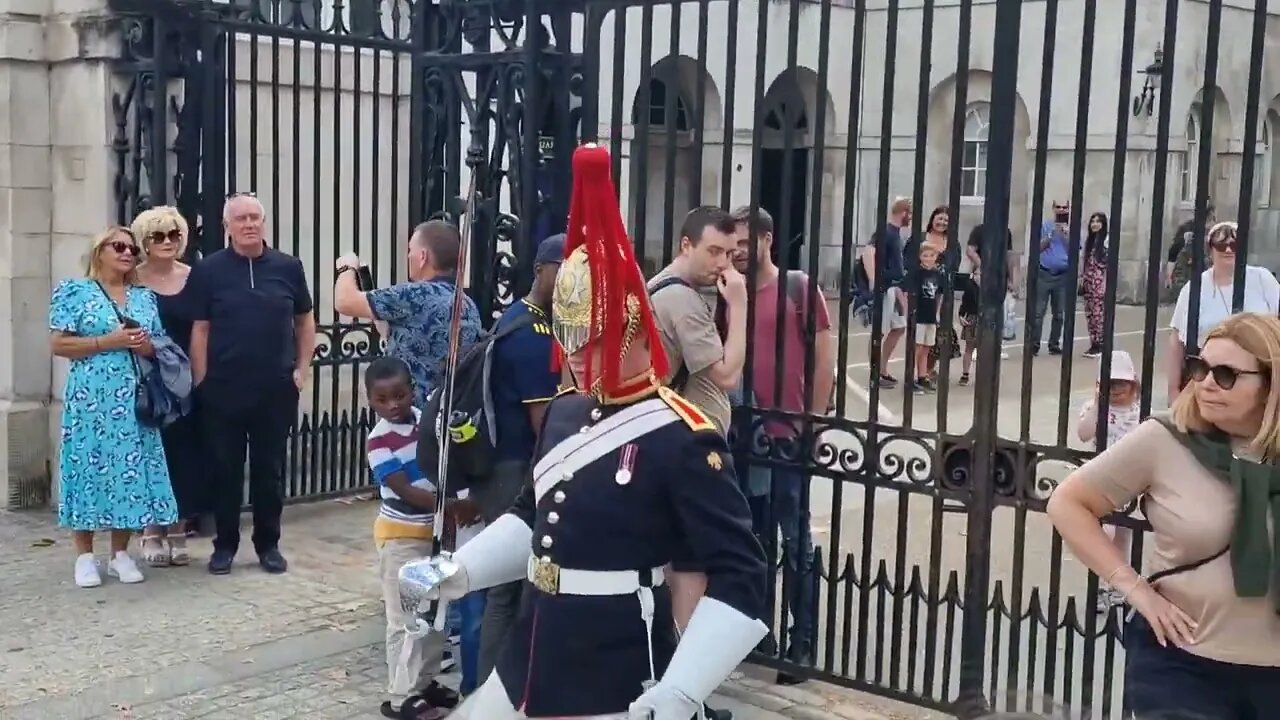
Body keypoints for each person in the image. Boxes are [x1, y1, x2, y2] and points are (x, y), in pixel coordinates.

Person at [421, 144, 767, 720]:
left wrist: (683, 688)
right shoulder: (563, 411)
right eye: (571, 340)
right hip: (534, 653)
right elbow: (532, 519)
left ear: (630, 328)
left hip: (617, 666)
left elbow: (740, 572)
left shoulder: (684, 437)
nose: (575, 358)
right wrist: (461, 571)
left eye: (589, 341)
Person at [1047, 312, 1280, 718]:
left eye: (1226, 374)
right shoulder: (1167, 439)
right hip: (1185, 668)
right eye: (1200, 367)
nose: (1206, 382)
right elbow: (1068, 503)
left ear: (1270, 384)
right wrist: (1133, 588)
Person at [730, 205, 836, 685]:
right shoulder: (729, 293)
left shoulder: (797, 288)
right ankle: (761, 633)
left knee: (795, 541)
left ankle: (803, 640)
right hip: (743, 436)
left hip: (787, 434)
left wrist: (809, 423)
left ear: (767, 240)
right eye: (731, 247)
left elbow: (823, 359)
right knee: (755, 539)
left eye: (744, 245)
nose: (736, 254)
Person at [188, 193, 316, 576]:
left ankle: (269, 544)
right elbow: (200, 329)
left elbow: (305, 321)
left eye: (255, 217)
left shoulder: (288, 267)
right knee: (225, 470)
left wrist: (302, 368)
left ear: (264, 222)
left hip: (274, 388)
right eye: (240, 218)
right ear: (227, 227)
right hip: (223, 387)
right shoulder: (209, 271)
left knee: (269, 471)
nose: (249, 224)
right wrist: (201, 380)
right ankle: (224, 545)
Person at [49, 226, 179, 588]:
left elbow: (158, 347)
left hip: (132, 398)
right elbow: (59, 344)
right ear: (99, 251)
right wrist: (110, 341)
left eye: (131, 249)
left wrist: (143, 347)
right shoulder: (74, 292)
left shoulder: (144, 298)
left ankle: (121, 553)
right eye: (118, 246)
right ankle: (84, 556)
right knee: (86, 467)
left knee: (129, 470)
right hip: (90, 397)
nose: (126, 253)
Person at [473, 233, 565, 684]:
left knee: (513, 585)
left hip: (509, 466)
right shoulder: (532, 332)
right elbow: (543, 423)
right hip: (513, 469)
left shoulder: (530, 321)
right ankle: (493, 690)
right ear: (541, 270)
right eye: (564, 272)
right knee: (509, 587)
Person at [365, 357, 457, 720]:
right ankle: (402, 697)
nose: (393, 405)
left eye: (400, 395)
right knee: (406, 619)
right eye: (383, 399)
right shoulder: (378, 441)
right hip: (403, 538)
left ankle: (425, 681)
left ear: (412, 390)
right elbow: (401, 489)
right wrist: (448, 505)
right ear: (371, 400)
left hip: (436, 534)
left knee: (435, 614)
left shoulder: (428, 422)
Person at [334, 221, 482, 409]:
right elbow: (395, 333)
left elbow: (344, 301)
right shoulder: (467, 304)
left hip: (412, 420)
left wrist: (347, 268)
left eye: (411, 249)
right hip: (449, 416)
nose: (408, 255)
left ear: (422, 257)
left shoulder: (415, 295)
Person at [132, 206, 203, 568]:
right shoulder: (132, 279)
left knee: (182, 455)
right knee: (149, 453)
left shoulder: (195, 277)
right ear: (144, 241)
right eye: (157, 236)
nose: (167, 242)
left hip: (183, 378)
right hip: (144, 377)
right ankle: (150, 530)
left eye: (174, 235)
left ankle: (177, 529)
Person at [647, 205, 748, 435]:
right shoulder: (682, 300)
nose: (723, 262)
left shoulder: (661, 284)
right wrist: (740, 304)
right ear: (686, 246)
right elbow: (727, 377)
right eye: (713, 251)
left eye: (729, 254)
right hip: (688, 440)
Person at [1167, 220, 1280, 403]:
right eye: (1221, 245)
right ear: (1210, 251)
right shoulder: (1195, 286)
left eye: (1234, 245)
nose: (1228, 250)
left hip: (1258, 376)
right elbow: (1176, 340)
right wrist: (1173, 391)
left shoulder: (1262, 279)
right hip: (1207, 376)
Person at [1074, 350, 1140, 612]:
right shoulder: (1094, 408)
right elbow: (1083, 434)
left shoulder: (1139, 411)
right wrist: (1098, 404)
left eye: (1121, 384)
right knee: (1105, 533)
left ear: (1133, 384)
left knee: (1123, 534)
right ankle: (1101, 584)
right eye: (1109, 384)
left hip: (1131, 481)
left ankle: (1119, 584)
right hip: (1101, 479)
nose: (1115, 390)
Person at [861, 197, 911, 388]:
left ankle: (882, 369)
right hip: (884, 288)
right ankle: (875, 374)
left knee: (899, 327)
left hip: (894, 287)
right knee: (878, 332)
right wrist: (874, 281)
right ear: (904, 212)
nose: (911, 218)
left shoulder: (897, 234)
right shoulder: (887, 231)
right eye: (910, 213)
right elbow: (868, 252)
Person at [1029, 200, 1075, 356]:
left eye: (1065, 207)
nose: (1061, 210)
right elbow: (1037, 248)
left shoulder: (1072, 228)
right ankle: (1034, 344)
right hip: (1044, 272)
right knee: (1038, 312)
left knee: (1060, 313)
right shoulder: (1045, 225)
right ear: (1053, 208)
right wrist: (1050, 236)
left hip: (1063, 275)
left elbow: (1075, 251)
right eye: (1058, 207)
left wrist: (1066, 235)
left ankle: (1054, 344)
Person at [1164, 202, 1215, 302]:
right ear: (1210, 214)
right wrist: (1170, 274)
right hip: (1188, 270)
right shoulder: (1189, 228)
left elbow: (1173, 251)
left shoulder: (1213, 230)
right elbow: (1174, 250)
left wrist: (1169, 273)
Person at [912, 245, 943, 394]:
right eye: (925, 255)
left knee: (926, 348)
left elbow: (939, 295)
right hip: (919, 315)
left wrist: (937, 313)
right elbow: (907, 292)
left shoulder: (937, 275)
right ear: (920, 257)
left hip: (931, 316)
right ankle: (911, 377)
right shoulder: (917, 274)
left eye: (931, 255)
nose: (929, 258)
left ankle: (922, 377)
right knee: (917, 348)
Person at [1080, 212, 1110, 359]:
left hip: (1099, 283)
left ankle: (1101, 345)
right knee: (1090, 314)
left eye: (1098, 221)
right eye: (1093, 221)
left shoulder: (1105, 242)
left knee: (1099, 315)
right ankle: (1094, 344)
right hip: (1088, 283)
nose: (1095, 224)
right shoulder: (1090, 242)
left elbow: (1108, 265)